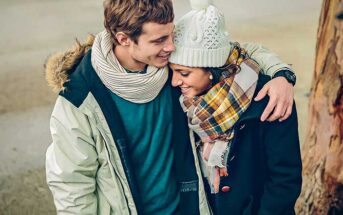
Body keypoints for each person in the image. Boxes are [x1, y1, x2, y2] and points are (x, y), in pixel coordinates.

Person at [45, 0, 298, 214]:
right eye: (159, 40)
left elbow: (236, 52)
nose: (171, 46)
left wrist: (281, 75)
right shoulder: (80, 99)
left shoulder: (167, 65)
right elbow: (72, 186)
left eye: (171, 34)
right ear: (123, 39)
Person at [168, 0, 302, 214]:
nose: (175, 82)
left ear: (212, 70)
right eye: (172, 71)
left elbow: (284, 181)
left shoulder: (269, 99)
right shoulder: (181, 101)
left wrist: (283, 76)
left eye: (184, 73)